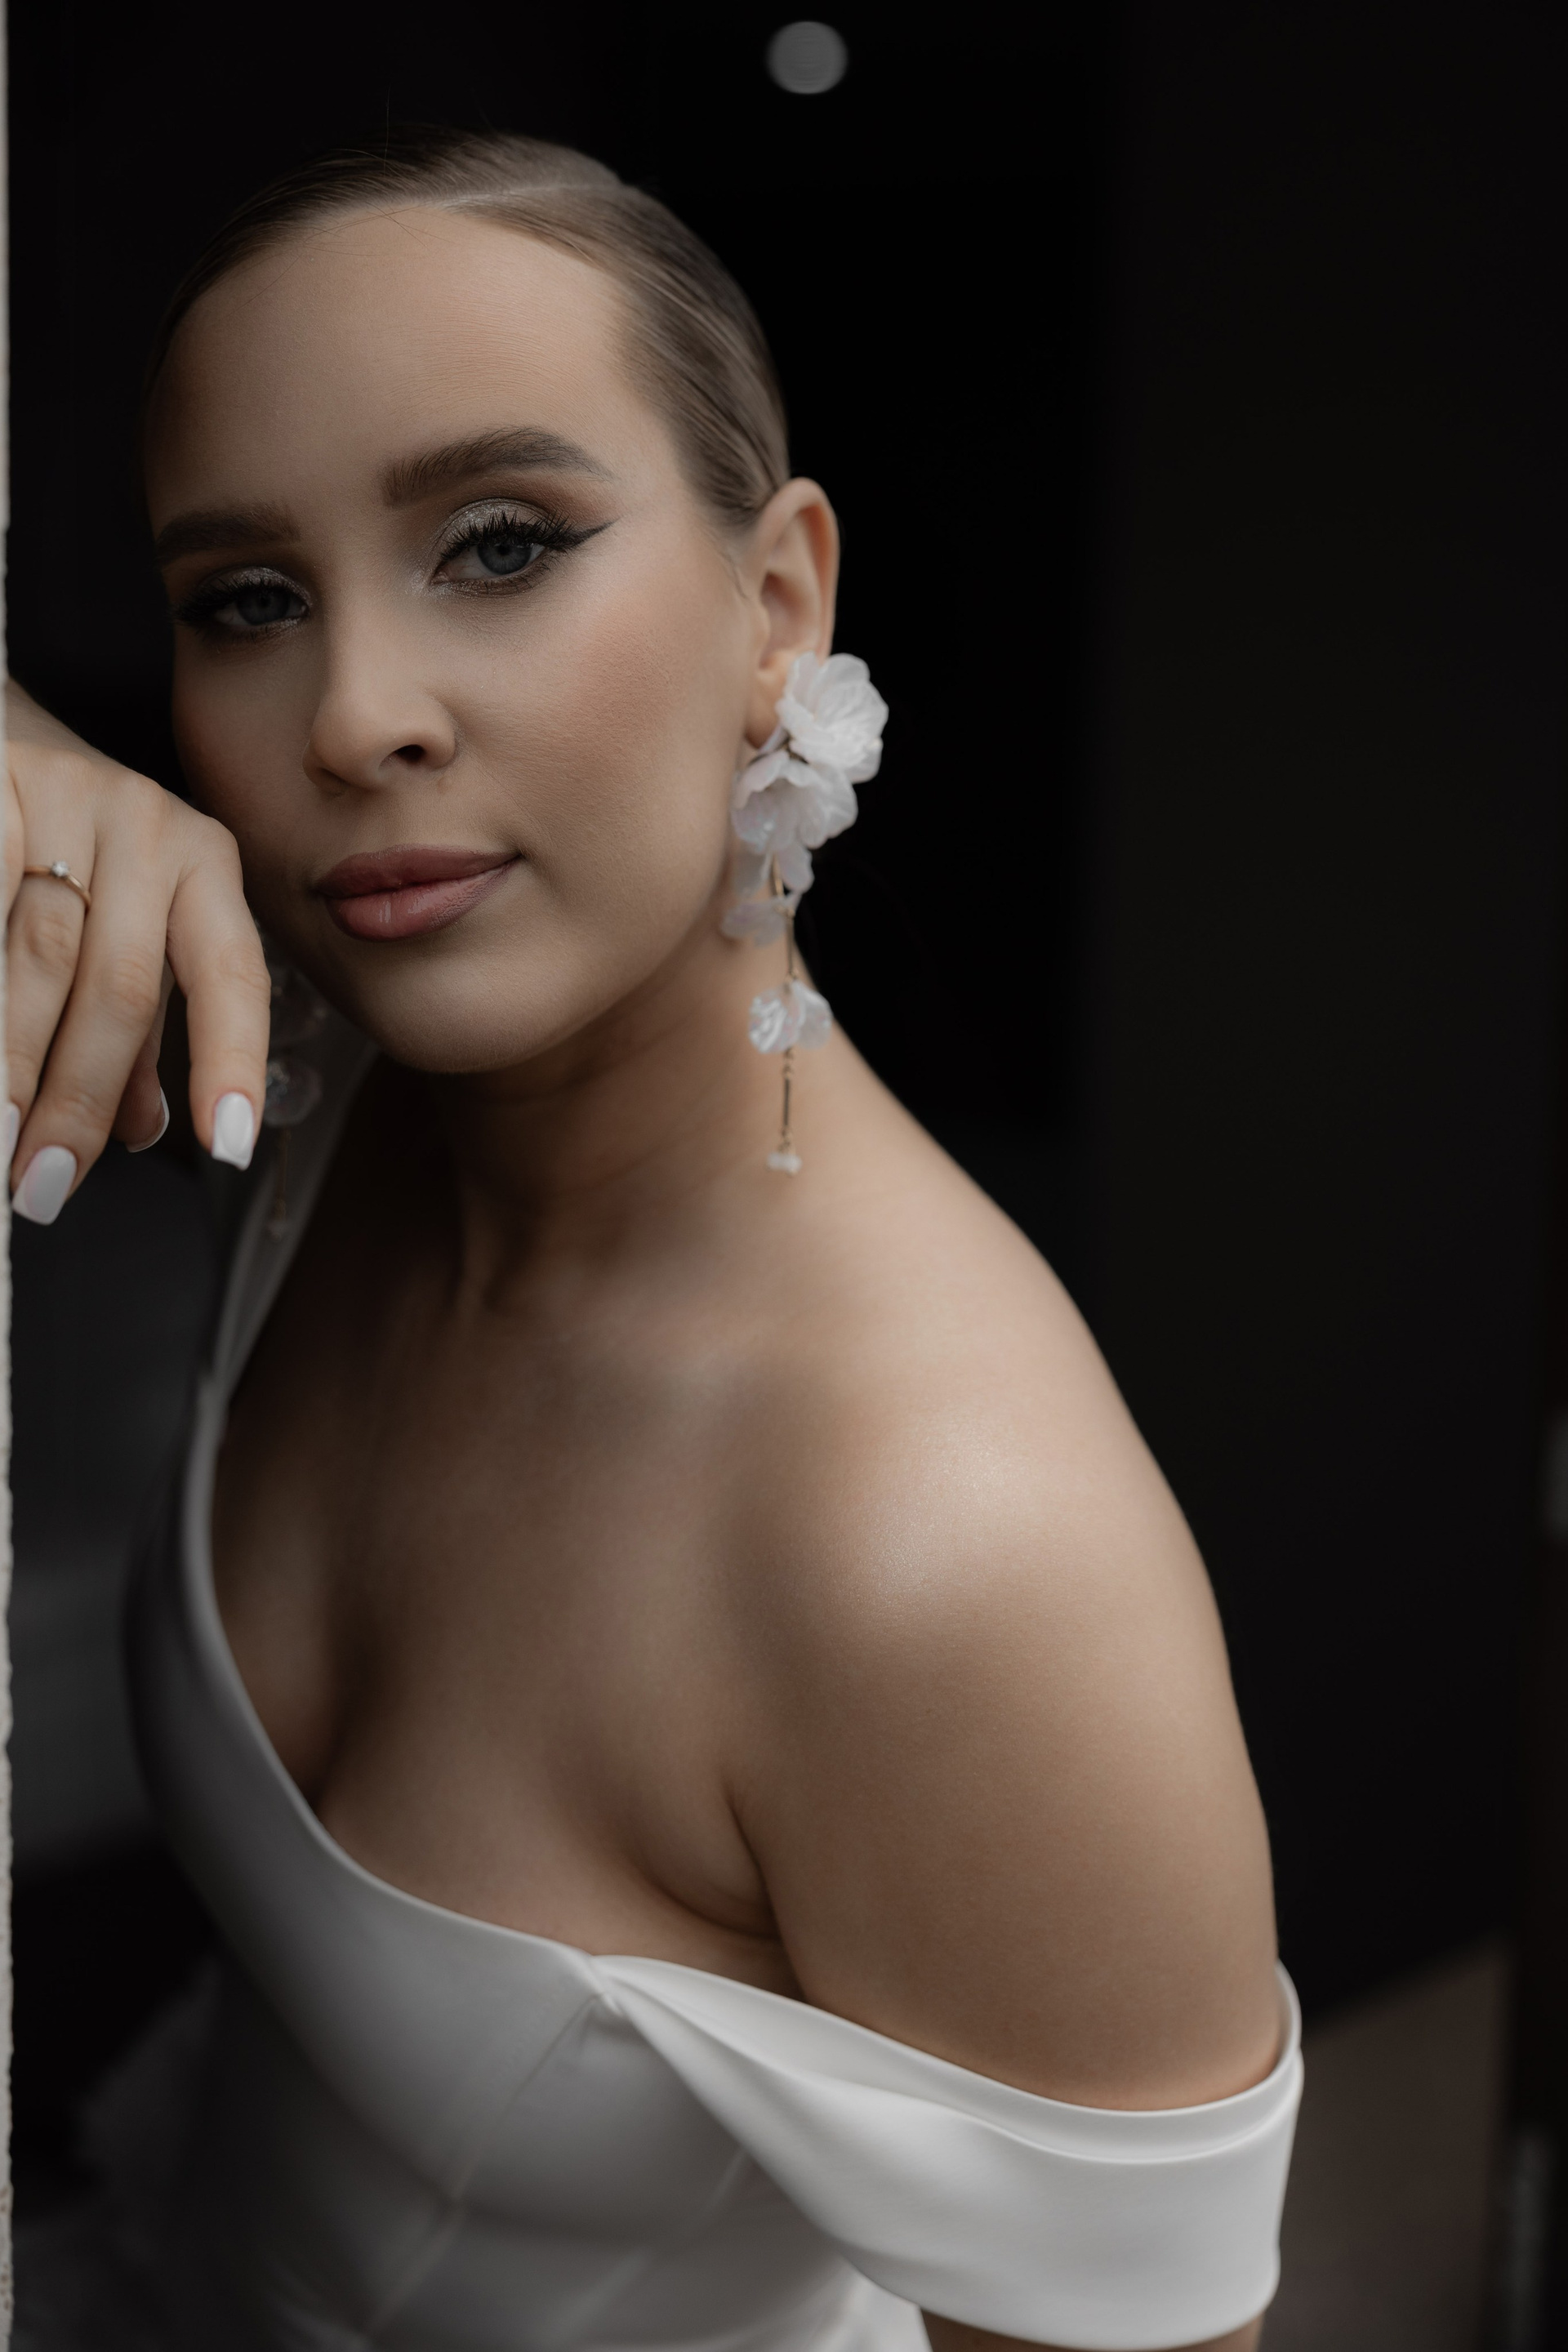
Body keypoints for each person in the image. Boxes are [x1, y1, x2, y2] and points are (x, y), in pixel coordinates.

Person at [4, 131, 1298, 2352]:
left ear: (777, 604)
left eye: (500, 543)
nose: (354, 715)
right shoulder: (307, 1060)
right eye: (247, 598)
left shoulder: (949, 1551)